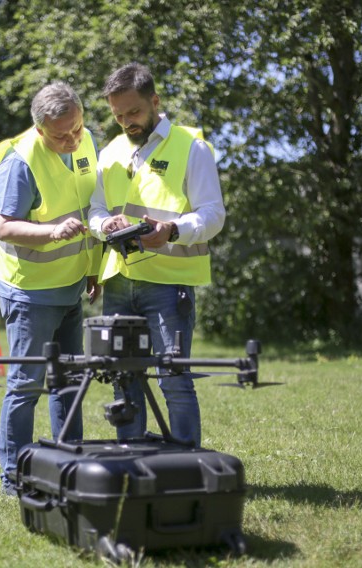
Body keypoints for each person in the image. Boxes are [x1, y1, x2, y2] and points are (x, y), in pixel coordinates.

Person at [89, 63, 225, 447]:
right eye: (118, 115)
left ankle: (187, 467)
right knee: (122, 376)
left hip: (169, 284)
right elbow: (95, 209)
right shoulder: (111, 150)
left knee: (173, 378)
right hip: (119, 282)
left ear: (155, 101)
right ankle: (131, 462)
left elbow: (213, 214)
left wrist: (173, 230)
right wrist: (105, 226)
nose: (126, 122)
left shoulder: (191, 147)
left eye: (134, 112)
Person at [0, 81, 102, 495]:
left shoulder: (86, 138)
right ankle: (14, 480)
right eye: (62, 135)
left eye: (77, 128)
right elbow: (4, 227)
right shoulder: (20, 161)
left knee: (69, 381)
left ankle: (68, 466)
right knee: (26, 386)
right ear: (40, 130)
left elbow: (88, 206)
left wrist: (92, 269)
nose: (73, 139)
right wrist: (52, 232)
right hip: (30, 293)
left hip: (72, 285)